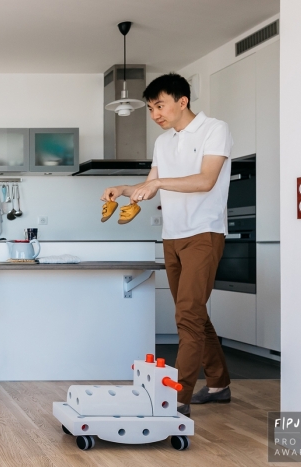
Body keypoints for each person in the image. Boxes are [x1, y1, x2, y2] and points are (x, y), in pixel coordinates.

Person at [102, 73, 232, 417]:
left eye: (159, 105)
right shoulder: (163, 142)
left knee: (186, 315)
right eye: (150, 108)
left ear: (182, 101)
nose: (155, 113)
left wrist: (157, 182)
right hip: (172, 237)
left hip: (203, 233)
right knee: (194, 313)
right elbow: (151, 185)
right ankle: (219, 383)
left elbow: (206, 180)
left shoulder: (214, 129)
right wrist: (125, 189)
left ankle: (176, 399)